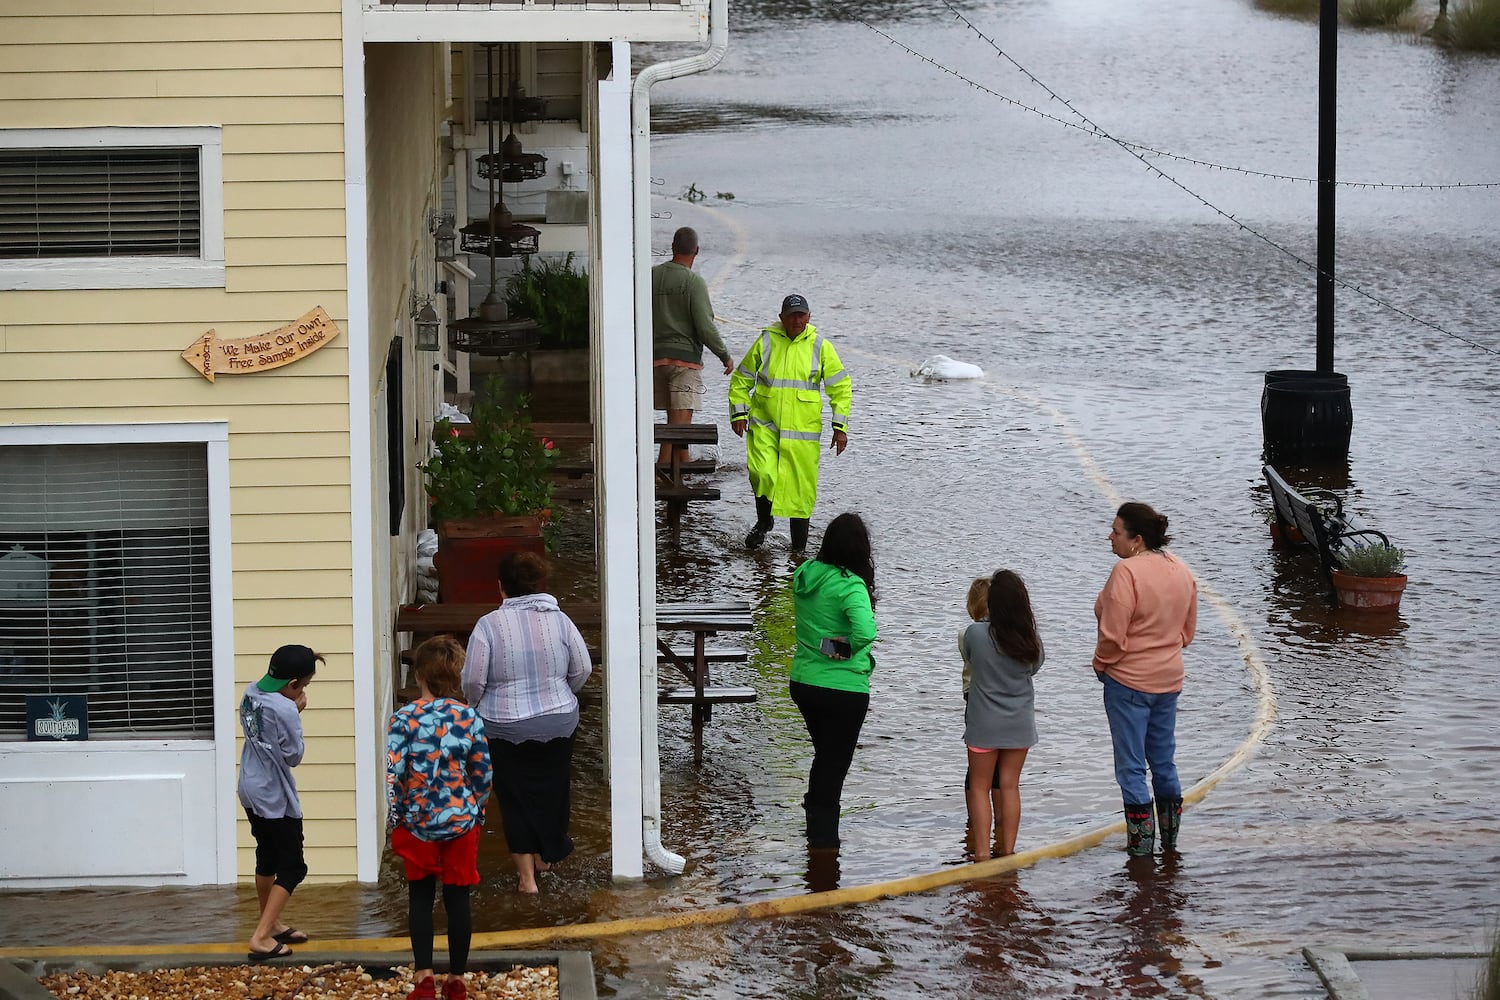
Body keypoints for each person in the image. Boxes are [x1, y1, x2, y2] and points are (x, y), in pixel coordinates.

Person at [461, 551, 592, 894]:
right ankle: (546, 858)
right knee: (553, 789)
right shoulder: (560, 621)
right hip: (559, 722)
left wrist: (475, 707)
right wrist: (561, 693)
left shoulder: (488, 625)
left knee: (514, 797)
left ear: (501, 587)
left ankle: (526, 880)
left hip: (503, 726)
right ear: (538, 583)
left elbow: (473, 680)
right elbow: (583, 669)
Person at [387, 635, 493, 1000]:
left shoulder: (403, 718)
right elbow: (482, 772)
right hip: (460, 821)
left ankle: (423, 978)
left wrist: (397, 815)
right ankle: (457, 979)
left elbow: (394, 773)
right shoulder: (468, 717)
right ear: (457, 675)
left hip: (418, 822)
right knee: (458, 898)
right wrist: (476, 810)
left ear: (418, 674)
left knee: (419, 897)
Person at [1093, 501, 1198, 857]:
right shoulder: (1181, 569)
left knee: (1132, 767)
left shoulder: (1126, 572)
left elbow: (1112, 635)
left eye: (1116, 531)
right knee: (1164, 761)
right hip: (1169, 680)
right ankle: (1170, 845)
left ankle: (1140, 851)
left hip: (1128, 682)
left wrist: (1101, 663)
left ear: (1136, 540)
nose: (1110, 537)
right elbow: (1187, 632)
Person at [729, 293, 852, 555]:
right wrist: (739, 414)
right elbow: (741, 380)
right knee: (762, 474)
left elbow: (840, 387)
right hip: (766, 427)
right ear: (781, 318)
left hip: (802, 435)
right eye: (792, 315)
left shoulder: (821, 347)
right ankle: (764, 521)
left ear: (809, 317)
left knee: (800, 493)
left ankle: (799, 554)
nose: (798, 320)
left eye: (802, 315)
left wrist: (839, 427)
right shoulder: (766, 342)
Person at [789, 511, 878, 849]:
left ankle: (817, 832)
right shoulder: (850, 584)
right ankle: (824, 843)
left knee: (825, 755)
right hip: (843, 691)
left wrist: (826, 645)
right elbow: (866, 631)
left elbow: (815, 636)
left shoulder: (806, 574)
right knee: (834, 762)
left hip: (803, 683)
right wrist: (846, 648)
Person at [237, 644, 323, 962]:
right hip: (273, 793)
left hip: (249, 786)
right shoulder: (286, 708)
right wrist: (297, 713)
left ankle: (270, 922)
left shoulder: (249, 692)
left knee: (267, 857)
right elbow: (293, 756)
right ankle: (260, 936)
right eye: (304, 686)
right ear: (293, 686)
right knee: (293, 866)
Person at [962, 570, 1043, 860]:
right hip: (1019, 723)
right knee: (1010, 786)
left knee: (980, 788)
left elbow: (970, 657)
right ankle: (1008, 852)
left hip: (984, 723)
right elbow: (1035, 667)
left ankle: (982, 854)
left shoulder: (976, 633)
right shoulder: (1029, 637)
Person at [653, 226, 734, 472]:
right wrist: (724, 355)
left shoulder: (652, 275)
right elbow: (704, 325)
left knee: (674, 417)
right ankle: (664, 468)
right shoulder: (694, 282)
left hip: (655, 359)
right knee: (681, 419)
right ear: (696, 250)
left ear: (672, 247)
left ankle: (682, 464)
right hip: (684, 361)